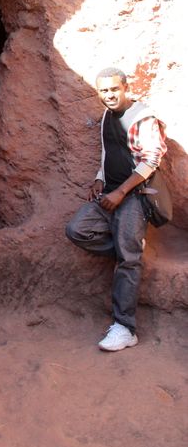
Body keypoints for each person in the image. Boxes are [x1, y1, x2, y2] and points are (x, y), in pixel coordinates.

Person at [66, 67, 167, 351]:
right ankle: (128, 253)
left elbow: (151, 160)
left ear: (125, 87)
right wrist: (100, 180)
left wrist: (122, 191)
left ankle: (125, 328)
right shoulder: (107, 118)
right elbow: (107, 153)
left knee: (127, 260)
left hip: (134, 196)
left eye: (114, 89)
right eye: (103, 91)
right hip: (109, 194)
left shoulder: (143, 117)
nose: (109, 95)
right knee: (77, 230)